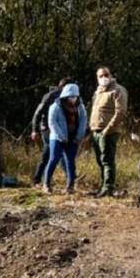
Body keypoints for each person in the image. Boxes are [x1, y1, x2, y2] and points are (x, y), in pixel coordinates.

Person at [89, 67, 128, 197]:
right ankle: (104, 185)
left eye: (106, 75)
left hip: (109, 132)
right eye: (100, 76)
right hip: (96, 131)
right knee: (100, 160)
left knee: (107, 160)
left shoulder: (118, 90)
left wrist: (107, 129)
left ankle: (108, 188)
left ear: (111, 75)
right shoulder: (98, 91)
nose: (103, 77)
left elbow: (120, 112)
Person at [43, 83, 87, 194]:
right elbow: (52, 123)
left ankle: (70, 186)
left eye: (74, 96)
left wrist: (79, 136)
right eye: (70, 96)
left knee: (70, 162)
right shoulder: (56, 106)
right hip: (57, 138)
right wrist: (61, 136)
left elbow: (83, 121)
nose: (72, 99)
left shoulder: (80, 106)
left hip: (73, 138)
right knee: (53, 159)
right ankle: (46, 184)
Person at [30, 78, 72, 186]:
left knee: (48, 154)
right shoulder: (50, 96)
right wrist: (34, 130)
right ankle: (69, 177)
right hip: (47, 128)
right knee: (60, 152)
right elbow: (37, 113)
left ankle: (37, 179)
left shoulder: (69, 97)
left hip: (60, 128)